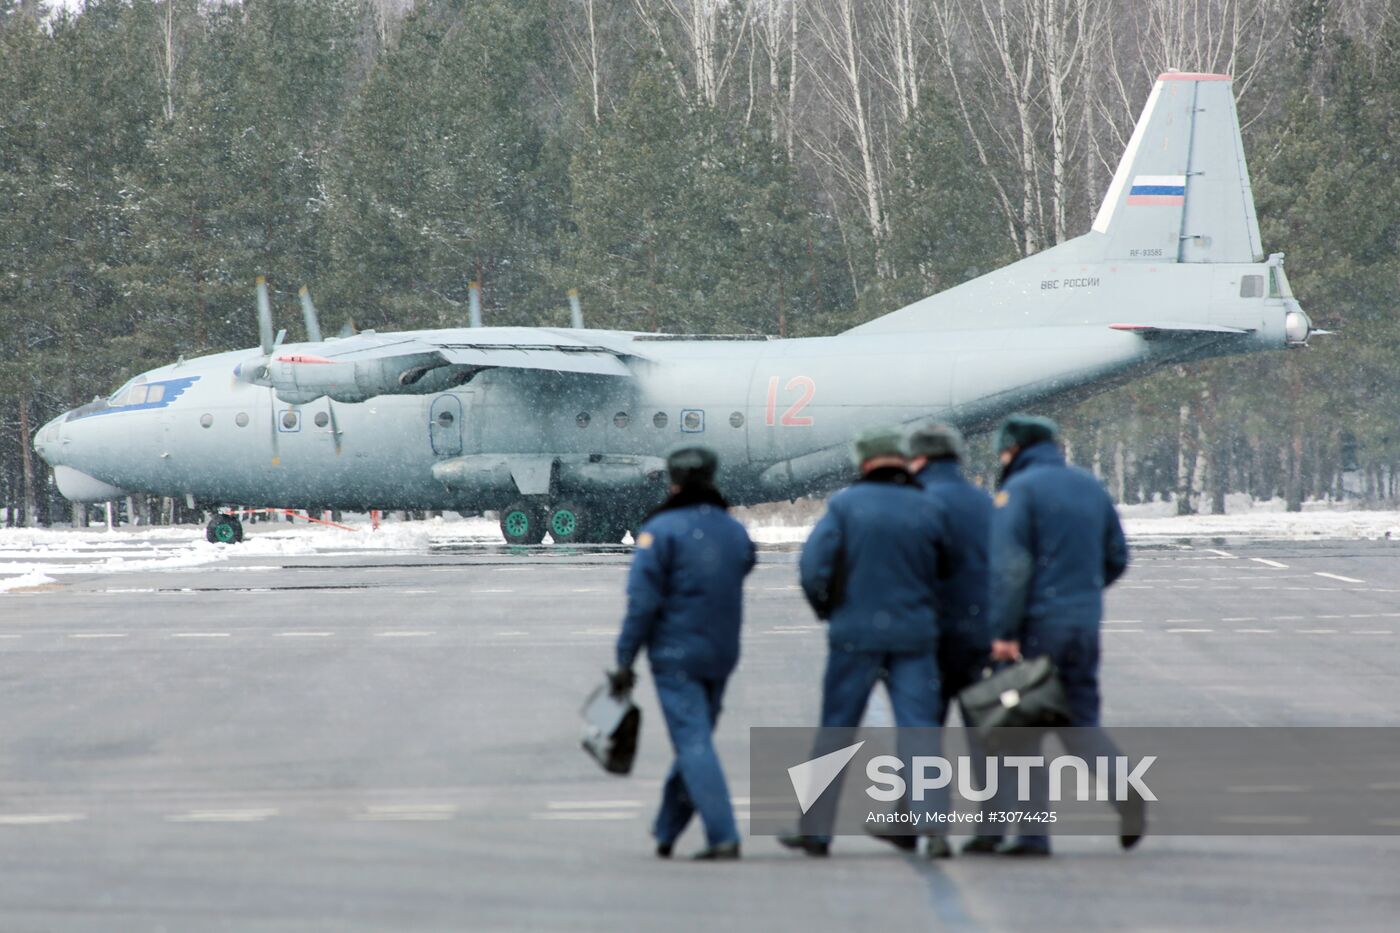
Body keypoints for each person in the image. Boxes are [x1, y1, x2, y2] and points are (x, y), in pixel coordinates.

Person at [780, 426, 952, 858]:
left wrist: (830, 609)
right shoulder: (928, 506)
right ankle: (934, 830)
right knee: (919, 732)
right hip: (914, 634)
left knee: (835, 731)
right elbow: (948, 570)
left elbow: (813, 567)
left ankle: (816, 830)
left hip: (855, 635)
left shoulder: (845, 505)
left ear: (865, 461)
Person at [986, 414, 1143, 856]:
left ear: (1014, 449)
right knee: (1079, 723)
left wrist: (1004, 631)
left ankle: (1032, 835)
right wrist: (1081, 595)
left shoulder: (1019, 491)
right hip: (1082, 626)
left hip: (1038, 629)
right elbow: (1116, 557)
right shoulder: (1088, 486)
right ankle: (1125, 789)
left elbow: (1011, 569)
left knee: (1021, 733)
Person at [611, 445, 756, 861]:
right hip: (722, 650)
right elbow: (744, 563)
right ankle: (667, 828)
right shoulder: (732, 529)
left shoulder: (662, 529)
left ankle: (722, 834)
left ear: (672, 481)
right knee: (698, 740)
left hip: (676, 653)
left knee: (693, 742)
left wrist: (625, 659)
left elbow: (642, 602)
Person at [906, 423, 1002, 855]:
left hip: (930, 636)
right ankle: (992, 828)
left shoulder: (915, 503)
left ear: (920, 458)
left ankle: (932, 827)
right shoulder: (985, 502)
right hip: (983, 634)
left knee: (923, 733)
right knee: (986, 735)